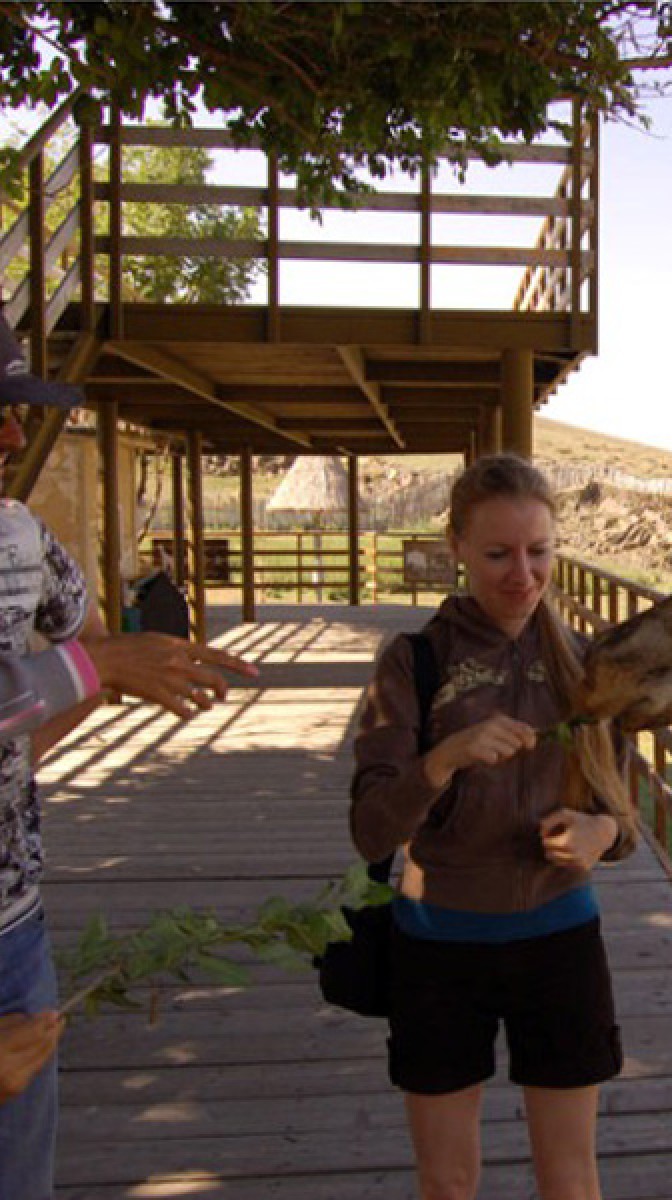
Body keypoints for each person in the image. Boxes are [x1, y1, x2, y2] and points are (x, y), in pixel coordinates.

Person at [0, 314, 257, 1198]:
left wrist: (29, 743)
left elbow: (90, 660)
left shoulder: (23, 543)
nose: (11, 433)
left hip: (13, 929)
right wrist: (89, 668)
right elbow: (89, 663)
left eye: (18, 408)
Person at [350, 453, 636, 1200]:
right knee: (447, 1182)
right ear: (456, 549)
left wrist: (602, 835)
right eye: (498, 553)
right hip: (439, 949)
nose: (523, 574)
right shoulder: (412, 663)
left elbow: (625, 813)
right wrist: (441, 760)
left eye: (539, 551)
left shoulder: (587, 665)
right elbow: (371, 830)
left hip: (561, 940)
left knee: (570, 1180)